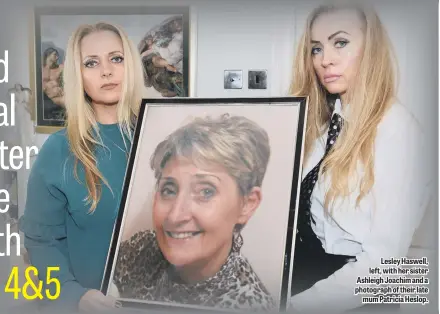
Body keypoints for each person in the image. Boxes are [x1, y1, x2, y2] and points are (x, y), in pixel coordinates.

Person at [288, 1, 432, 313]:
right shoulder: (326, 125)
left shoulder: (397, 131)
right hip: (308, 286)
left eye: (340, 42)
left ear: (371, 48)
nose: (325, 60)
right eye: (316, 48)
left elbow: (385, 267)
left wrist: (298, 306)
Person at [18, 21, 144, 313]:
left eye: (116, 58)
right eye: (91, 63)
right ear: (79, 76)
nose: (106, 71)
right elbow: (40, 242)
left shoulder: (163, 138)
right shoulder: (59, 150)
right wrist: (73, 295)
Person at [112, 114, 276, 312]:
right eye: (169, 190)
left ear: (247, 205)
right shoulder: (141, 249)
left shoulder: (252, 304)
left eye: (206, 192)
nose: (175, 216)